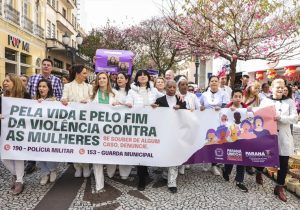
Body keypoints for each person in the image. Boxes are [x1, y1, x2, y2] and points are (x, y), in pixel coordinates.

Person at [260, 78, 298, 202]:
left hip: (283, 136)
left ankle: (279, 187)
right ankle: (258, 172)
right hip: (268, 135)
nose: (281, 89)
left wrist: (280, 118)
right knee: (264, 158)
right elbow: (259, 116)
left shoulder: (289, 101)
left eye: (282, 87)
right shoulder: (265, 101)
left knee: (283, 163)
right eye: (278, 87)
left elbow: (294, 118)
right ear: (272, 87)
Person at [125, 70, 163, 191]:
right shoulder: (132, 91)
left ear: (148, 77)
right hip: (138, 124)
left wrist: (157, 104)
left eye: (144, 75)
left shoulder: (154, 90)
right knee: (140, 149)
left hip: (151, 124)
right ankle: (141, 178)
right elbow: (128, 101)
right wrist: (129, 104)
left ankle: (145, 169)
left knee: (148, 147)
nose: (142, 77)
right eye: (140, 75)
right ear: (137, 78)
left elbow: (165, 100)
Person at [25, 58, 63, 174]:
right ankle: (34, 164)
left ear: (51, 68)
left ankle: (52, 168)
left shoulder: (56, 80)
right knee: (35, 140)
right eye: (44, 64)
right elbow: (27, 95)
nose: (46, 66)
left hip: (50, 116)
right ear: (41, 66)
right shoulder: (33, 78)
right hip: (35, 114)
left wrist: (50, 102)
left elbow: (59, 97)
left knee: (49, 141)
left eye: (48, 65)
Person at [152, 80, 187, 193]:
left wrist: (181, 108)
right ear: (165, 88)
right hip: (164, 133)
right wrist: (152, 108)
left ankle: (172, 182)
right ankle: (165, 175)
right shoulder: (159, 100)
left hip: (177, 133)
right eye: (169, 87)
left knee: (174, 156)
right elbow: (155, 115)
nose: (172, 89)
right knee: (165, 155)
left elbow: (187, 115)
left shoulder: (181, 100)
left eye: (173, 87)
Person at [1, 73, 31, 195]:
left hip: (20, 131)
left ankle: (19, 180)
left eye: (8, 81)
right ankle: (16, 174)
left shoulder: (25, 96)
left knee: (18, 155)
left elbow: (33, 110)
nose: (5, 83)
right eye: (4, 81)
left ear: (15, 82)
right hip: (4, 132)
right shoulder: (2, 96)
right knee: (4, 157)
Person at [61, 65, 93, 178]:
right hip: (72, 121)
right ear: (77, 74)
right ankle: (77, 166)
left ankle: (85, 166)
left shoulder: (89, 86)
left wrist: (87, 101)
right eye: (84, 73)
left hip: (85, 121)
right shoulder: (68, 86)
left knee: (84, 143)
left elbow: (92, 99)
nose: (86, 75)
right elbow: (64, 98)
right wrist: (64, 100)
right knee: (74, 144)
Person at [91, 72, 119, 192]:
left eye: (104, 78)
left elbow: (123, 109)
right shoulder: (92, 94)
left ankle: (111, 170)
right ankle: (99, 184)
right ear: (97, 81)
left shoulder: (114, 93)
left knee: (110, 155)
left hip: (111, 130)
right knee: (97, 158)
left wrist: (118, 104)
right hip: (96, 131)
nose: (102, 80)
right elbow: (85, 107)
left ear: (108, 80)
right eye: (99, 78)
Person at [200, 75, 229, 176]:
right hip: (207, 122)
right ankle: (205, 160)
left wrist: (220, 108)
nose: (214, 83)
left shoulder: (224, 94)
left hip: (219, 122)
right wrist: (202, 108)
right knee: (207, 141)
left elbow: (226, 107)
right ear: (209, 83)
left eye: (216, 81)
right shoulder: (204, 95)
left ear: (218, 82)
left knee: (216, 143)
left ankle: (214, 165)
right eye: (212, 81)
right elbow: (200, 106)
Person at [34, 79, 59, 185]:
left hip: (51, 132)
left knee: (51, 152)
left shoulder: (54, 101)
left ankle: (52, 170)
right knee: (38, 152)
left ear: (49, 88)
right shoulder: (33, 100)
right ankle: (45, 173)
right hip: (37, 132)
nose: (41, 88)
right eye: (40, 86)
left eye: (44, 86)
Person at [223, 89, 248, 192]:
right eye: (235, 96)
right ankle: (226, 170)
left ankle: (239, 181)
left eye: (239, 96)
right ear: (232, 98)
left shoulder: (246, 109)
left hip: (242, 137)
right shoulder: (226, 108)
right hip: (231, 137)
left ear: (242, 98)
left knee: (241, 159)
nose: (238, 98)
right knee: (231, 156)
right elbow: (221, 118)